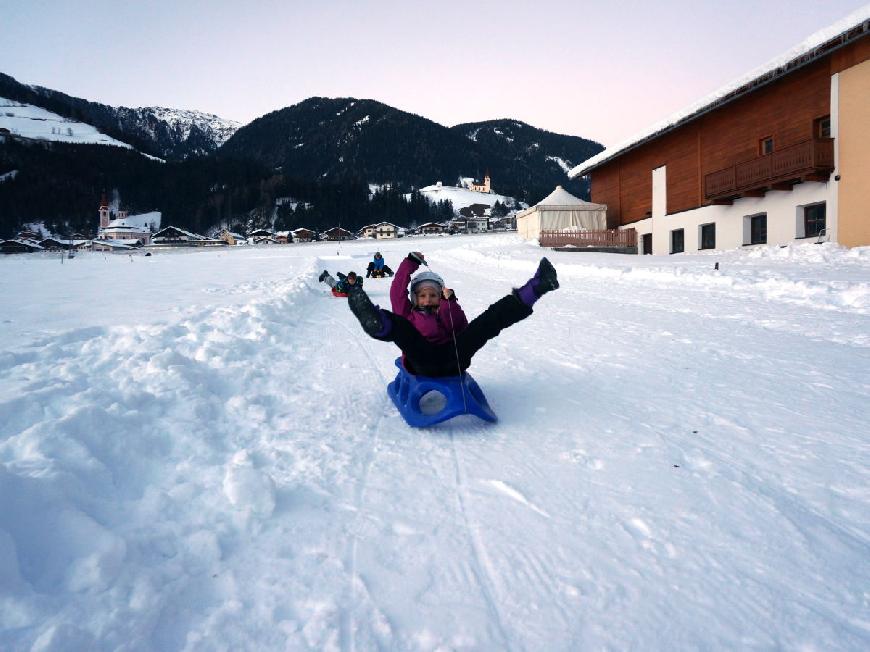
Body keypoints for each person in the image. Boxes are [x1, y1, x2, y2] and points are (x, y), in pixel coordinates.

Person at [346, 251, 558, 377]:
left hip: (453, 359)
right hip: (422, 361)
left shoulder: (446, 308)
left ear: (440, 296)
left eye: (433, 295)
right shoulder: (408, 313)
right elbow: (396, 291)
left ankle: (536, 287)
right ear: (414, 298)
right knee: (402, 329)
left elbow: (460, 328)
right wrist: (409, 263)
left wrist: (450, 304)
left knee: (486, 323)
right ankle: (376, 322)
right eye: (422, 296)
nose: (427, 300)